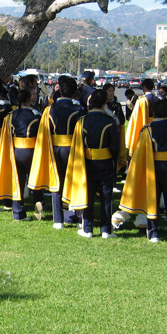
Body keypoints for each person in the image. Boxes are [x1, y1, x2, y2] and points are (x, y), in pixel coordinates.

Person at [120, 98, 167, 242]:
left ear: (154, 112)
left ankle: (153, 232)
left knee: (152, 201)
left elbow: (141, 152)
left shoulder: (147, 129)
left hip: (153, 168)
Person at [28, 75, 85, 228]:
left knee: (56, 182)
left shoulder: (49, 110)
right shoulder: (78, 109)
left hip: (54, 149)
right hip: (74, 149)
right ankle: (79, 217)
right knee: (76, 181)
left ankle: (58, 220)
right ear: (74, 93)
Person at [63, 89, 120, 238]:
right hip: (106, 162)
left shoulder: (82, 121)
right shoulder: (109, 121)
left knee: (87, 195)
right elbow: (115, 147)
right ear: (104, 103)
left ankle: (87, 228)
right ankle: (106, 230)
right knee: (106, 197)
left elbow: (78, 145)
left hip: (87, 163)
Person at [0, 85, 45, 221]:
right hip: (32, 150)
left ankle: (18, 213)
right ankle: (39, 205)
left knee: (18, 182)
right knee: (36, 179)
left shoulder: (11, 116)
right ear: (29, 100)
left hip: (16, 151)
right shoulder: (36, 115)